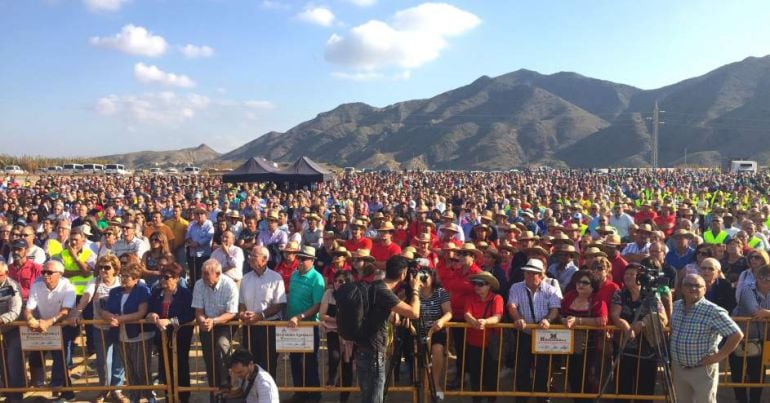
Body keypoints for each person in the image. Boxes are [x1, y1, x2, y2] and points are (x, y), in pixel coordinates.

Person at [354, 255, 423, 403]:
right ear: (403, 274)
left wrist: (392, 315)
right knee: (375, 399)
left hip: (362, 349)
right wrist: (415, 290)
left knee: (367, 397)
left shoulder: (375, 285)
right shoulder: (384, 291)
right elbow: (414, 313)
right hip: (373, 353)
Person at [670, 273, 743, 403]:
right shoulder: (675, 307)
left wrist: (719, 356)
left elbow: (736, 334)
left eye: (697, 286)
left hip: (702, 370)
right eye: (688, 285)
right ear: (681, 288)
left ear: (705, 289)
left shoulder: (713, 311)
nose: (693, 288)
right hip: (679, 368)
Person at [610, 263, 668, 402]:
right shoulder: (620, 294)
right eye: (626, 274)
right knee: (623, 388)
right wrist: (626, 327)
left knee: (645, 390)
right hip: (625, 348)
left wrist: (642, 324)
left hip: (647, 349)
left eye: (632, 274)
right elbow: (615, 315)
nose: (628, 276)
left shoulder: (651, 295)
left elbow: (663, 318)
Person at [507, 258, 562, 403]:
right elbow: (512, 306)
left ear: (540, 274)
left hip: (543, 335)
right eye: (527, 273)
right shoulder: (516, 287)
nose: (529, 276)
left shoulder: (550, 289)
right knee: (522, 367)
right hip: (524, 333)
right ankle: (522, 397)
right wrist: (518, 318)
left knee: (543, 368)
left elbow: (555, 309)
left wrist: (548, 320)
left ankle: (541, 397)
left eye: (533, 273)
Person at [75, 255, 127, 403]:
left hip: (119, 326)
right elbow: (86, 297)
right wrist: (78, 312)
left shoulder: (121, 281)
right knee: (103, 361)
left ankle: (117, 390)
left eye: (107, 267)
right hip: (100, 327)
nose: (103, 270)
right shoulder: (95, 281)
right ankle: (104, 389)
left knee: (119, 360)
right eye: (100, 267)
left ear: (115, 269)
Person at [24, 260, 76, 402]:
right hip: (44, 325)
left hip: (64, 326)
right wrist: (30, 319)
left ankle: (65, 392)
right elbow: (29, 308)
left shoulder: (68, 286)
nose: (45, 275)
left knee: (60, 359)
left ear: (60, 274)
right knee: (35, 357)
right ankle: (40, 385)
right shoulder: (37, 285)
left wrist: (49, 322)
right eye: (43, 271)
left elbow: (65, 311)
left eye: (49, 272)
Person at [103, 263, 155, 403]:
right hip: (121, 336)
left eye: (127, 276)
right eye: (122, 276)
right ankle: (134, 397)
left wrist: (118, 319)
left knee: (142, 369)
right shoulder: (115, 292)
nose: (123, 279)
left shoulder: (143, 290)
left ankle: (150, 395)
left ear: (136, 278)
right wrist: (110, 318)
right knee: (129, 370)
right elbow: (105, 311)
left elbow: (141, 312)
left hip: (139, 335)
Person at [147, 262, 195, 403]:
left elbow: (189, 315)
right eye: (162, 277)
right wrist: (152, 314)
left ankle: (183, 397)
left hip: (180, 336)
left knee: (181, 365)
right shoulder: (156, 293)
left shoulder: (185, 294)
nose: (163, 280)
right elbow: (149, 309)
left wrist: (170, 321)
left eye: (166, 277)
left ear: (176, 278)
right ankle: (169, 395)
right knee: (164, 365)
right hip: (162, 337)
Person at [192, 259, 239, 402]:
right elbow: (198, 310)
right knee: (209, 358)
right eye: (203, 273)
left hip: (225, 323)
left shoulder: (229, 285)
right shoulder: (199, 284)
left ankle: (227, 386)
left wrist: (214, 321)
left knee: (222, 349)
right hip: (207, 323)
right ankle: (214, 392)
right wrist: (202, 321)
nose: (204, 276)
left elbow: (231, 313)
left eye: (207, 274)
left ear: (217, 274)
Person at [285, 245, 325, 403]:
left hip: (308, 326)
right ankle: (299, 392)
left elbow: (317, 305)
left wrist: (300, 316)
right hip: (292, 325)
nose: (299, 261)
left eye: (303, 259)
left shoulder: (317, 278)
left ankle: (314, 394)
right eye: (299, 257)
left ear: (312, 261)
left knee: (309, 362)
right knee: (294, 360)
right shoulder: (294, 274)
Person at [238, 246, 286, 378]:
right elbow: (241, 303)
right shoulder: (245, 279)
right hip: (250, 327)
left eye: (254, 257)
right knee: (250, 363)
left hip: (268, 327)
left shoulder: (276, 278)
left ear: (264, 260)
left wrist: (260, 316)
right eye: (250, 256)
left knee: (268, 364)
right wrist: (242, 314)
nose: (250, 259)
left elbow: (279, 304)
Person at [561, 270, 607, 402]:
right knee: (572, 377)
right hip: (570, 346)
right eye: (579, 282)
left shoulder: (598, 300)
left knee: (588, 378)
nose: (580, 285)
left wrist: (578, 321)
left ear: (593, 286)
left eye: (585, 282)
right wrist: (563, 320)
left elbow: (602, 321)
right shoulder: (570, 296)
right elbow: (559, 312)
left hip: (590, 347)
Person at [464, 271, 503, 403]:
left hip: (491, 345)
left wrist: (484, 322)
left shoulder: (497, 298)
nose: (477, 287)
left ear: (489, 286)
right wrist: (473, 320)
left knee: (491, 376)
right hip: (473, 343)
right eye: (475, 284)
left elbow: (498, 316)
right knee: (475, 376)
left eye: (480, 284)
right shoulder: (470, 298)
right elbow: (466, 314)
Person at [416, 267, 452, 401]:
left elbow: (449, 312)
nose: (423, 279)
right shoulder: (415, 292)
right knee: (419, 357)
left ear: (432, 277)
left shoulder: (441, 292)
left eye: (426, 276)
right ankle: (423, 384)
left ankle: (436, 384)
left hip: (436, 330)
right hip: (418, 331)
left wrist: (441, 321)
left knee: (437, 350)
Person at [319, 270, 355, 402]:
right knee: (334, 356)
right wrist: (338, 320)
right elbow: (322, 315)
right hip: (332, 330)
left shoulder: (353, 295)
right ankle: (332, 376)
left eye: (341, 281)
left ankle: (344, 398)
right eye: (335, 280)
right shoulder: (329, 293)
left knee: (348, 365)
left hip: (349, 333)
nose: (337, 283)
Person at [0, 260, 24, 403]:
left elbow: (15, 310)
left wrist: (1, 319)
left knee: (13, 362)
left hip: (12, 330)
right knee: (2, 363)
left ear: (6, 273)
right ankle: (8, 393)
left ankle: (16, 396)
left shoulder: (12, 286)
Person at [186, 208, 215, 287]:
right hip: (193, 254)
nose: (199, 215)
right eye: (197, 214)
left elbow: (208, 237)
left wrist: (197, 243)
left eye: (202, 214)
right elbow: (187, 236)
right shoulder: (192, 224)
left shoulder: (209, 225)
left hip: (204, 255)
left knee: (202, 275)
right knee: (193, 275)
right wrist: (191, 242)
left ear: (206, 215)